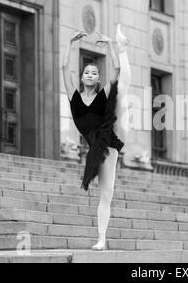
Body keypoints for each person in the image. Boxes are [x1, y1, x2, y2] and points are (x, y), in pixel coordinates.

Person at [62, 25, 131, 251]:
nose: (91, 75)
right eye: (87, 72)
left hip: (112, 135)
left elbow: (116, 70)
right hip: (97, 146)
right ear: (81, 78)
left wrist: (111, 45)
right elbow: (64, 67)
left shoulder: (102, 96)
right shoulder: (74, 96)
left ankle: (122, 46)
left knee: (121, 90)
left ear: (97, 78)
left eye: (94, 73)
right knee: (106, 193)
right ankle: (102, 238)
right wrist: (72, 44)